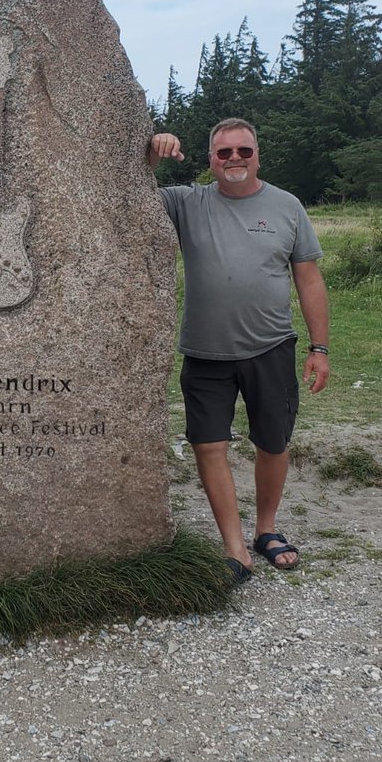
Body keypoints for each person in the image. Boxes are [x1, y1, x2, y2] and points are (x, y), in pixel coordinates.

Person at [148, 118, 330, 580]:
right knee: (209, 447)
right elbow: (136, 194)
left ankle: (265, 530)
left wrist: (319, 347)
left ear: (257, 156)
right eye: (224, 152)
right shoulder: (187, 202)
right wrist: (152, 150)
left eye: (243, 151)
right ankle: (235, 552)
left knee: (273, 443)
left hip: (270, 347)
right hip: (205, 351)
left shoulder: (287, 207)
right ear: (210, 159)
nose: (234, 160)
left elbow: (308, 278)